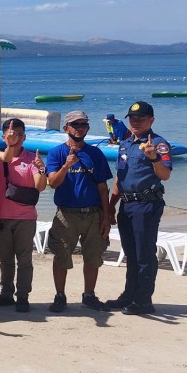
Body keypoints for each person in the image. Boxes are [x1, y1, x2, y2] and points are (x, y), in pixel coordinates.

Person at [106, 101, 173, 315]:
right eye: (132, 119)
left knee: (144, 254)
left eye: (140, 119)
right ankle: (129, 295)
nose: (135, 122)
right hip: (126, 205)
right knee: (131, 253)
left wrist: (153, 157)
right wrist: (110, 207)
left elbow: (165, 175)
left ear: (151, 120)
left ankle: (144, 300)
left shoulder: (159, 144)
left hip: (146, 204)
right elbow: (120, 177)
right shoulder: (126, 144)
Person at [44, 111, 113, 312]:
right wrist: (66, 166)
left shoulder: (95, 153)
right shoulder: (57, 153)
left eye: (83, 124)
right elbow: (53, 183)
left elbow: (103, 187)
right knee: (61, 255)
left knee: (93, 256)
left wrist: (107, 216)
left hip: (93, 214)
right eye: (75, 124)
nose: (80, 128)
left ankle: (89, 295)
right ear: (66, 128)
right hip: (66, 214)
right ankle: (60, 296)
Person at [0, 119, 47, 312]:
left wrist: (41, 168)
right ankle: (6, 293)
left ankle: (22, 296)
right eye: (11, 134)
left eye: (20, 134)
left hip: (25, 217)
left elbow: (40, 186)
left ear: (25, 137)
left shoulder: (31, 158)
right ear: (3, 137)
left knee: (24, 259)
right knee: (5, 259)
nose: (16, 138)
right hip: (2, 216)